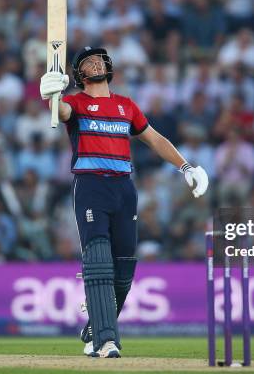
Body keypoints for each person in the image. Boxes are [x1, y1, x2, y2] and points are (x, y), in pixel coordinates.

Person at [39, 47, 208, 358]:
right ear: (79, 75)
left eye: (99, 59)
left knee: (124, 269)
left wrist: (187, 166)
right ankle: (105, 341)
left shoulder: (126, 106)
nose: (95, 63)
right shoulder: (75, 103)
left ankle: (95, 327)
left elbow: (155, 139)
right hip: (91, 186)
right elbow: (61, 112)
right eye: (87, 62)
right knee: (99, 261)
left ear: (108, 66)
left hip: (124, 189)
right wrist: (51, 95)